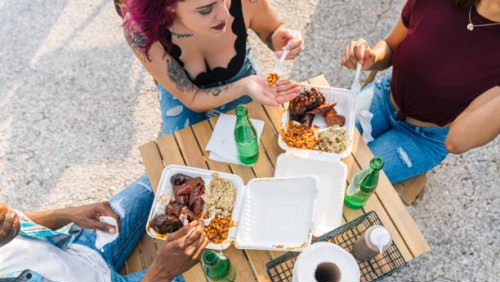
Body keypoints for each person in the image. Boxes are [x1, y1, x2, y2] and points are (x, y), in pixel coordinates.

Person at [0, 175, 209, 282]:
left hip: (81, 246)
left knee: (163, 175)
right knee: (218, 269)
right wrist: (161, 274)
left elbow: (13, 220)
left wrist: (66, 214)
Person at [341, 0, 499, 184]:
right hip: (384, 96)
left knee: (350, 183)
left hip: (422, 139)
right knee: (318, 144)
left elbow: (456, 142)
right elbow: (390, 46)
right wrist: (371, 57)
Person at [115, 0, 304, 134]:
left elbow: (271, 30)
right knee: (184, 159)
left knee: (257, 140)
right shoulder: (140, 30)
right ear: (167, 7)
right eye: (205, 9)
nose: (225, 14)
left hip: (243, 76)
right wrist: (244, 86)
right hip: (183, 92)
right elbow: (193, 98)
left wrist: (279, 39)